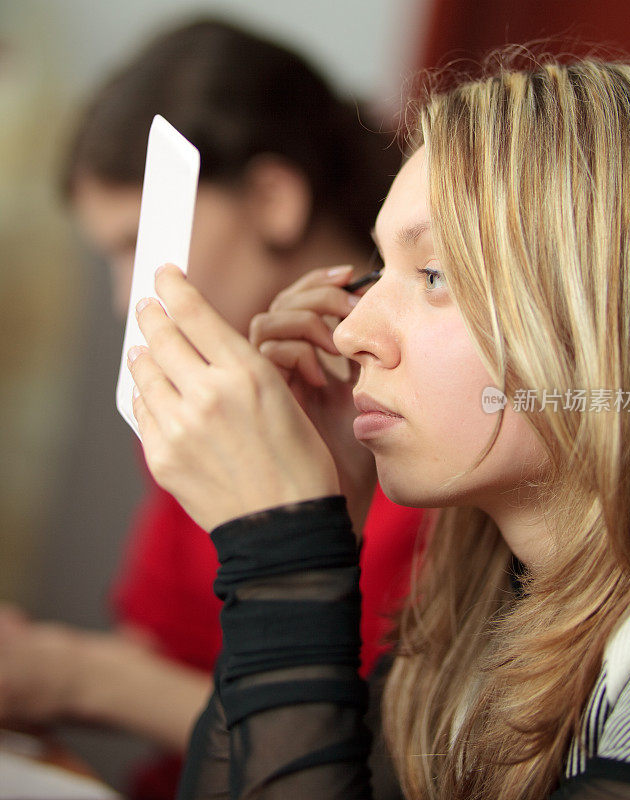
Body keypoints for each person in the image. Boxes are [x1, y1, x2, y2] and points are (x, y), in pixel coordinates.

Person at [125, 55, 630, 799]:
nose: (354, 333)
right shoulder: (478, 627)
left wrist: (284, 558)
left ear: (607, 315)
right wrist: (327, 519)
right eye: (379, 268)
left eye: (435, 276)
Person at [0, 18, 424, 800]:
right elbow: (159, 649)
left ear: (272, 197)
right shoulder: (212, 404)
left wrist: (71, 675)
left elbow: (384, 753)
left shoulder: (429, 442)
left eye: (137, 241)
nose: (125, 292)